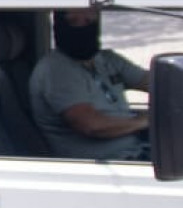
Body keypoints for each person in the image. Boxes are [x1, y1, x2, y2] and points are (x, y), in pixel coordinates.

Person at [29, 8, 151, 161]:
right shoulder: (55, 69)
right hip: (104, 166)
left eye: (89, 21)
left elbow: (155, 82)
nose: (82, 28)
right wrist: (145, 121)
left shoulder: (106, 59)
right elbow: (93, 126)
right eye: (73, 22)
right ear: (58, 26)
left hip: (135, 151)